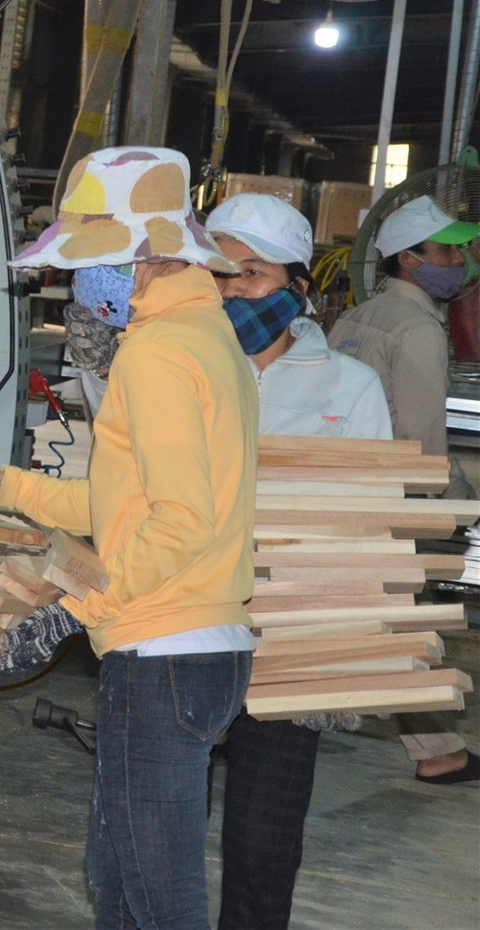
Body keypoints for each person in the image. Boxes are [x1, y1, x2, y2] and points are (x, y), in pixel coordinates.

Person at [0, 146, 257, 930]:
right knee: (121, 876)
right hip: (200, 645)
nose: (78, 287)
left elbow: (181, 520)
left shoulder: (157, 354)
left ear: (141, 257)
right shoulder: (205, 333)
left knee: (157, 900)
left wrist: (77, 607)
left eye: (91, 265)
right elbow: (119, 499)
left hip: (162, 648)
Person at [204, 193, 390, 930]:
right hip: (182, 628)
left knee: (262, 840)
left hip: (287, 645)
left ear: (296, 286)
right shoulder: (176, 368)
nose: (229, 291)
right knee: (156, 829)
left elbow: (369, 524)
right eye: (217, 273)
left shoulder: (349, 387)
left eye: (249, 275)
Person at [327, 194, 480, 787]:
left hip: (343, 490)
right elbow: (422, 441)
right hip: (394, 499)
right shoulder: (416, 329)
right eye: (448, 249)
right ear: (410, 259)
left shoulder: (358, 316)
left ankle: (436, 745)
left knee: (377, 619)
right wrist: (458, 501)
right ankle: (438, 749)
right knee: (404, 624)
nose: (461, 260)